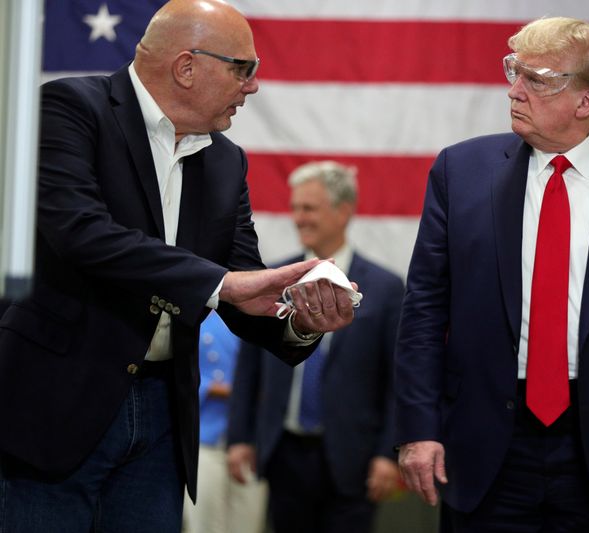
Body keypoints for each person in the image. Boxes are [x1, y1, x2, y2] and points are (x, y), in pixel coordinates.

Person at [0, 1, 355, 532]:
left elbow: (241, 285)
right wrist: (224, 283)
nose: (253, 86)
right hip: (58, 406)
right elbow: (82, 233)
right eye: (243, 68)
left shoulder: (226, 159)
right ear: (186, 67)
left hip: (164, 419)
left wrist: (302, 321)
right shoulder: (70, 107)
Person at [394, 16, 589, 533]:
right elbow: (424, 311)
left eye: (536, 79)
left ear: (586, 100)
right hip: (483, 446)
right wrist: (417, 428)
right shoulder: (460, 171)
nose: (514, 91)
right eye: (513, 72)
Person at [227, 161, 405, 533]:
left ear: (343, 211)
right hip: (283, 452)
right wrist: (240, 438)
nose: (298, 217)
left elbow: (397, 381)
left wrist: (390, 453)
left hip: (353, 457)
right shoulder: (272, 279)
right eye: (295, 208)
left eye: (309, 208)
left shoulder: (386, 289)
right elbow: (249, 365)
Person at [182, 311, 267, 533]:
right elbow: (181, 378)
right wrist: (223, 390)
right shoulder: (193, 314)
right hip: (205, 438)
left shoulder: (259, 317)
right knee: (204, 525)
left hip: (252, 442)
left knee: (247, 524)